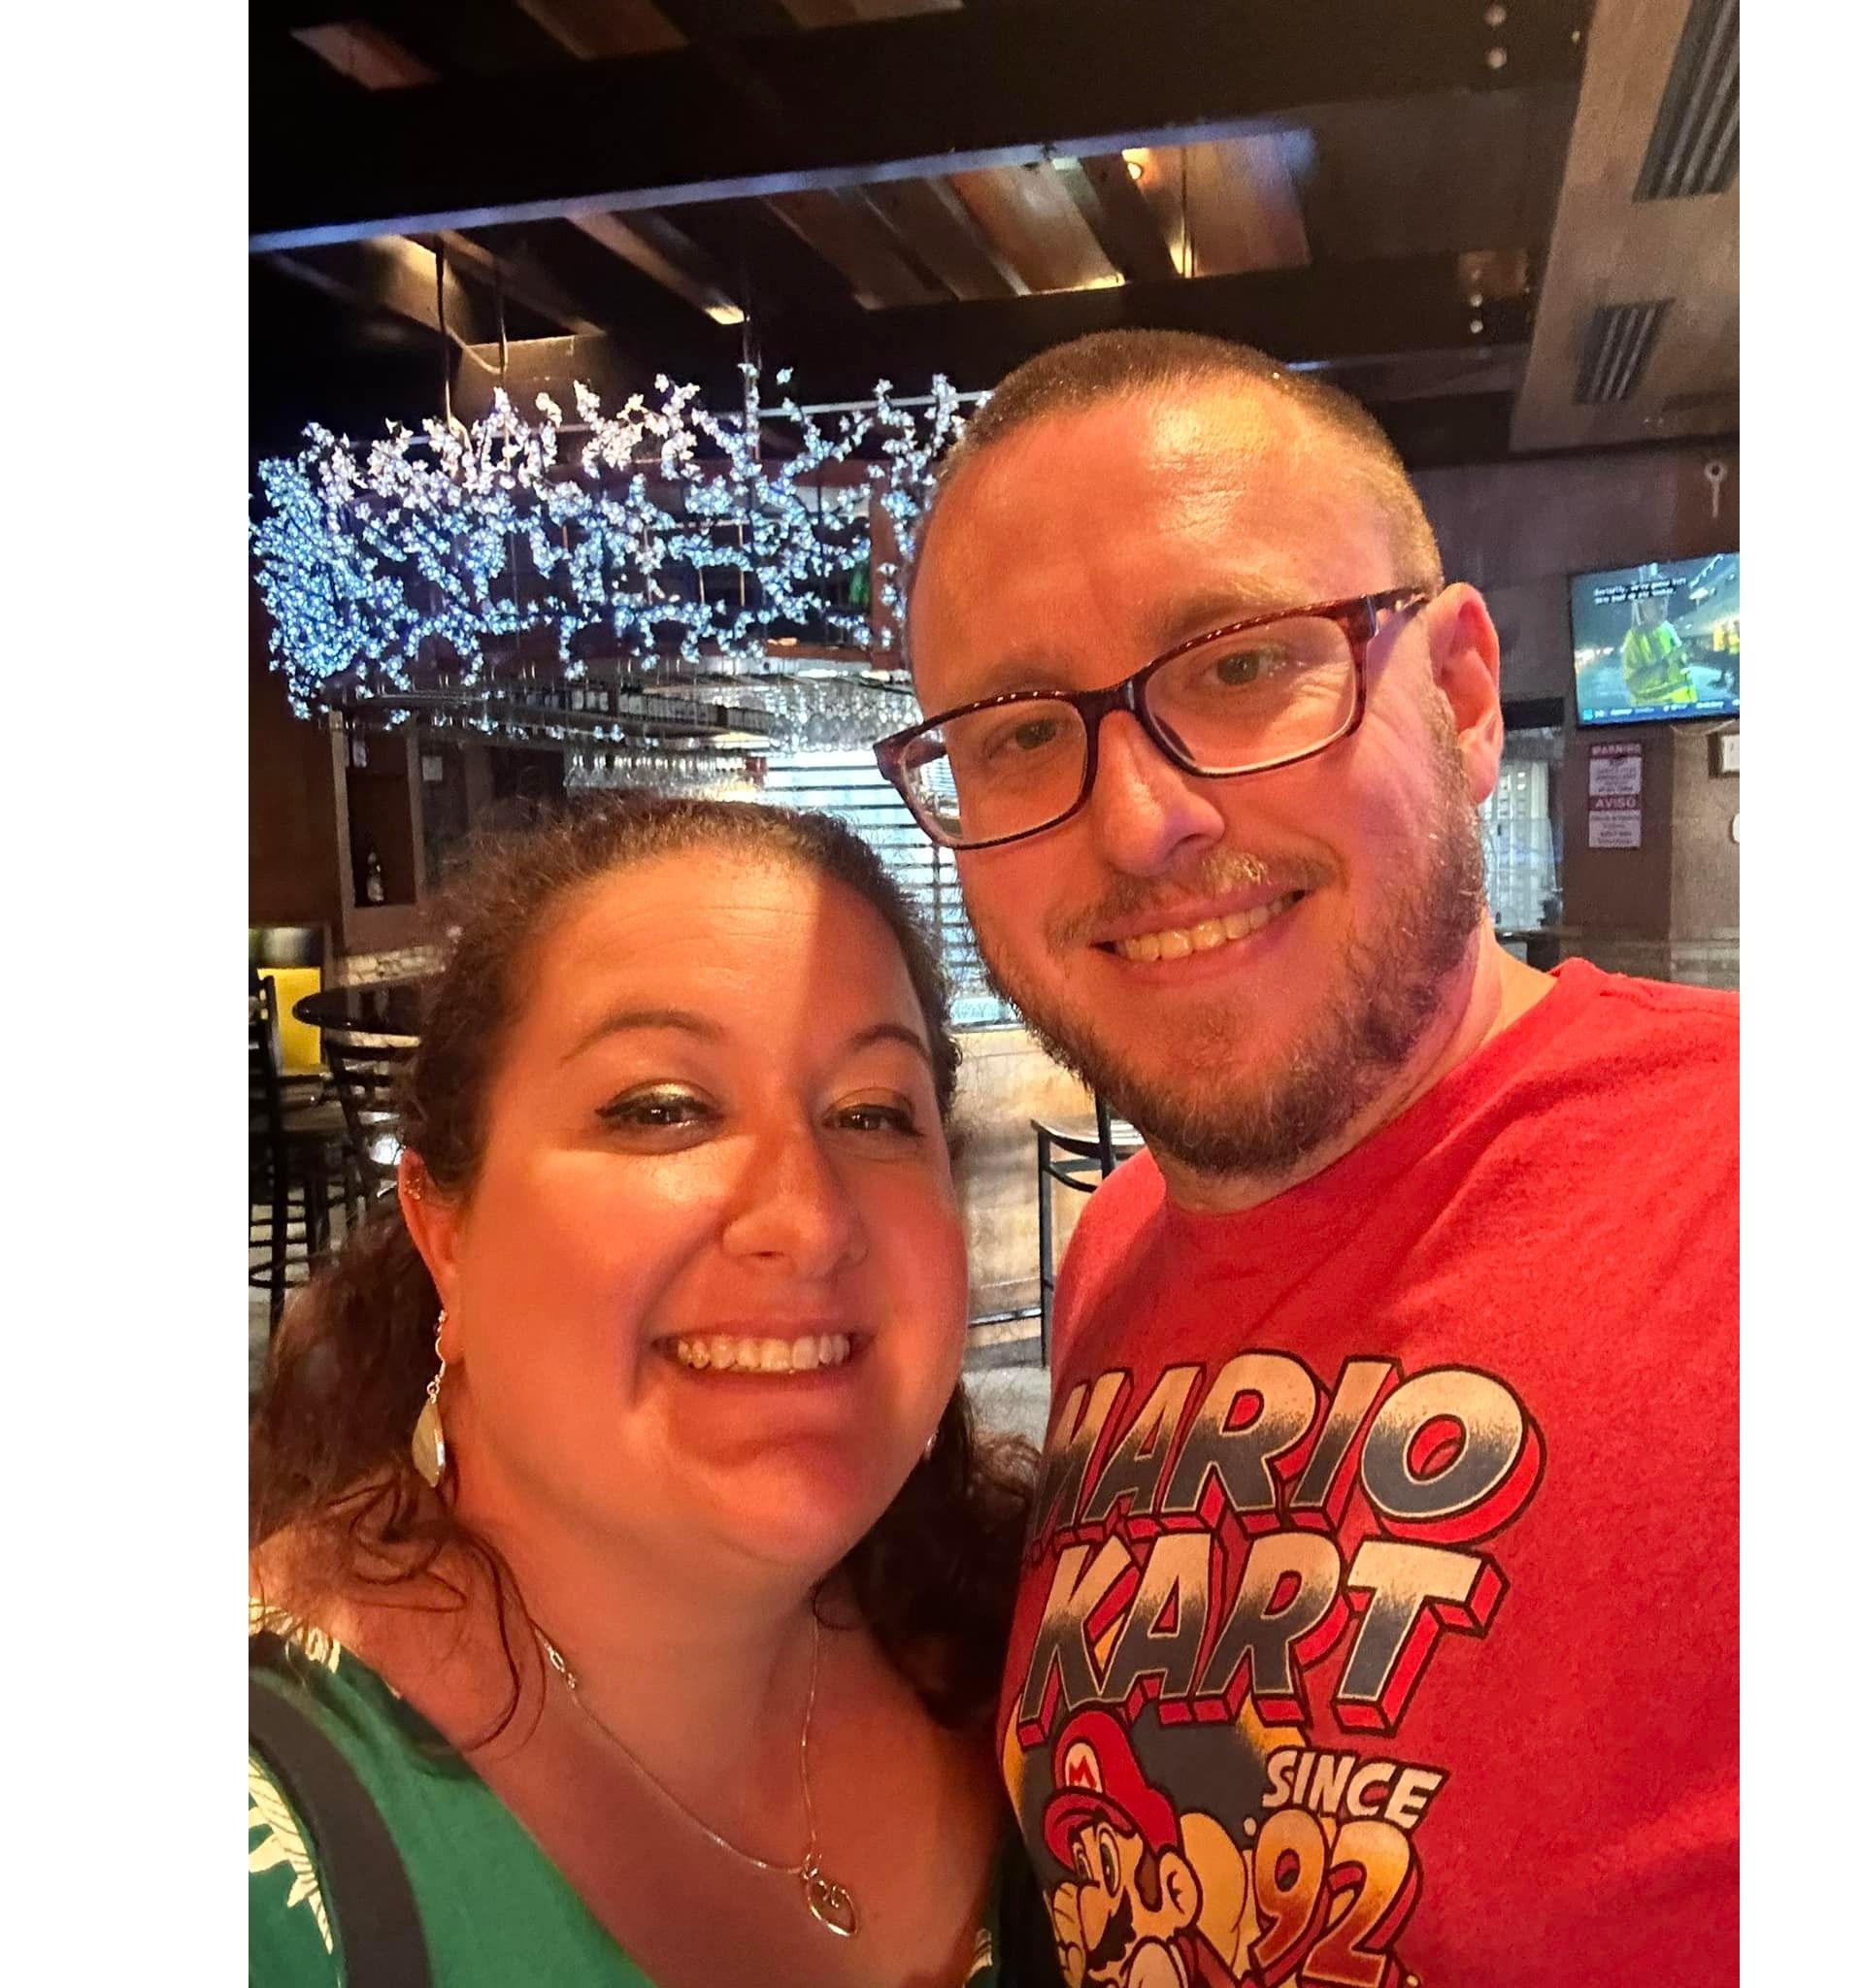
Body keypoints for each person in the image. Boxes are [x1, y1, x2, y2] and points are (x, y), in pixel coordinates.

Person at [882, 331, 1737, 1986]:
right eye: (1017, 733)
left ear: (1461, 697)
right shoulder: (1122, 1247)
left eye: (1241, 665)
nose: (1140, 822)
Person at [249, 795, 1056, 1987]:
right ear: (444, 1231)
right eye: (662, 1109)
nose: (806, 1219)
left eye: (873, 1112)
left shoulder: (1046, 1659)